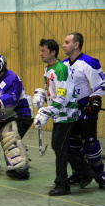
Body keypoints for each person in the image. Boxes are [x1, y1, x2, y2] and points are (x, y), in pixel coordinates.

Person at [33, 39, 95, 196]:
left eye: (44, 51)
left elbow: (64, 95)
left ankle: (62, 184)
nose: (40, 53)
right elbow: (54, 92)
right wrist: (42, 94)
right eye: (40, 50)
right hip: (59, 114)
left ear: (53, 52)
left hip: (66, 114)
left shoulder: (60, 69)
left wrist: (48, 111)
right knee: (60, 147)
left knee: (59, 147)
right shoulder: (48, 69)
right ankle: (86, 172)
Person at [62, 32, 105, 189]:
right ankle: (78, 174)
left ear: (76, 44)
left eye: (67, 42)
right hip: (70, 110)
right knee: (72, 145)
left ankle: (101, 176)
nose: (63, 45)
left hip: (86, 108)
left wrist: (95, 98)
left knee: (90, 143)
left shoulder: (89, 62)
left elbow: (101, 84)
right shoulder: (64, 64)